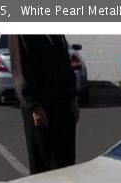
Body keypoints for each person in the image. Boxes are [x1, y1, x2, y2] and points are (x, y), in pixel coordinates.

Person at [9, 35, 79, 175]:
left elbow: (64, 64)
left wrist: (72, 99)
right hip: (41, 109)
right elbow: (20, 68)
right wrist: (33, 105)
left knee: (66, 170)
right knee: (44, 170)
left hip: (63, 107)